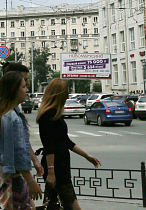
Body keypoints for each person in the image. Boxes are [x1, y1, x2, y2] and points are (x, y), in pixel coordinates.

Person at [37, 79, 101, 210]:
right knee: (72, 206)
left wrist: (86, 156)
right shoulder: (48, 115)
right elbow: (49, 146)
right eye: (66, 92)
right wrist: (51, 172)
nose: (68, 95)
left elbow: (66, 141)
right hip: (56, 167)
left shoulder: (55, 113)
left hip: (60, 164)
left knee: (51, 204)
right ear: (59, 94)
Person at [0, 71, 42, 209]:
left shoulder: (5, 112)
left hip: (3, 175)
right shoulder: (11, 117)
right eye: (23, 87)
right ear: (14, 90)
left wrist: (34, 161)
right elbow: (15, 153)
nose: (27, 90)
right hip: (12, 177)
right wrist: (30, 181)